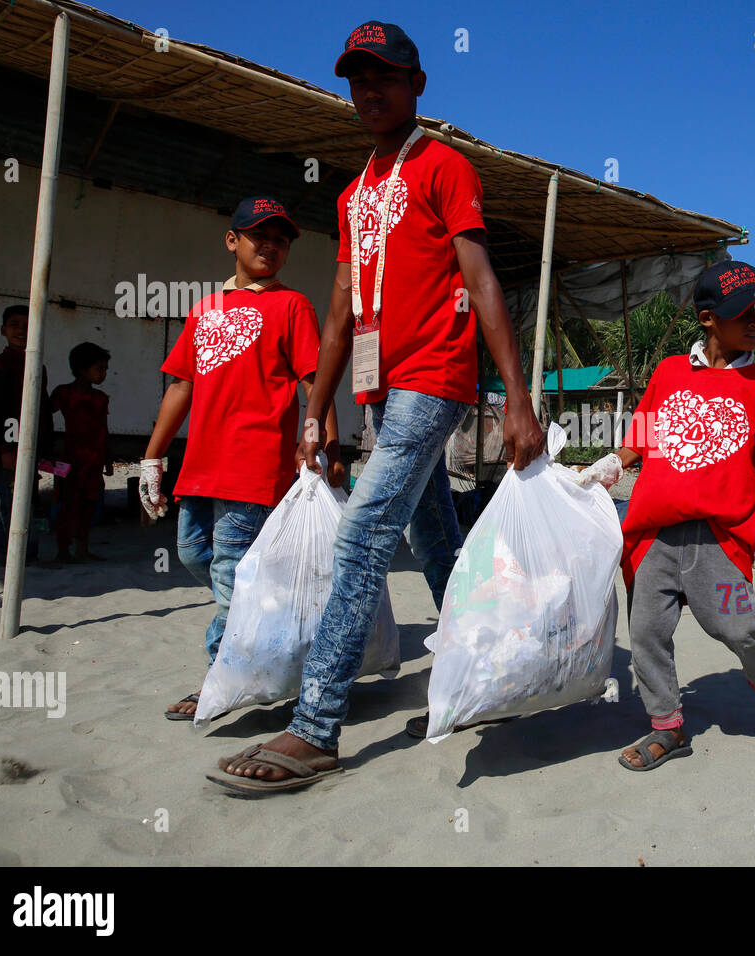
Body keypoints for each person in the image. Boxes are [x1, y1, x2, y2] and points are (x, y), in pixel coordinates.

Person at [210, 21, 545, 792]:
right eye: (359, 78)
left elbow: (482, 276)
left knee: (360, 539)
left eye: (386, 76)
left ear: (417, 84)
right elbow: (337, 312)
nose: (371, 90)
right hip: (381, 391)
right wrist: (315, 411)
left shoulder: (443, 166)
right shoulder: (356, 190)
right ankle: (493, 662)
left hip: (435, 378)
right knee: (438, 543)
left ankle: (316, 727)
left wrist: (517, 396)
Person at [579, 260, 755, 771]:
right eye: (745, 314)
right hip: (654, 533)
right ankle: (667, 727)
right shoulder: (670, 373)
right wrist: (607, 466)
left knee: (738, 628)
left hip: (720, 537)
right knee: (647, 629)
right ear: (709, 318)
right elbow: (641, 439)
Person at [139, 197, 342, 720]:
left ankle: (220, 678)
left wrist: (327, 443)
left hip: (253, 466)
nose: (270, 246)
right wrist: (151, 457)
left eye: (281, 239)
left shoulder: (291, 305)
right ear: (232, 240)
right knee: (193, 554)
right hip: (200, 466)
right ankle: (265, 626)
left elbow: (312, 383)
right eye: (258, 235)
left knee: (230, 570)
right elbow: (180, 385)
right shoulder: (204, 310)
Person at [0, 304, 53, 564]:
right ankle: (9, 557)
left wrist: (45, 445)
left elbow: (42, 409)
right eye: (14, 325)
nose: (21, 331)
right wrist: (5, 448)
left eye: (27, 326)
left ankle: (27, 555)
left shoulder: (37, 365)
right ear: (3, 330)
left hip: (30, 446)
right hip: (9, 448)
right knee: (10, 505)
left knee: (27, 503)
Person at [50, 342, 111, 562]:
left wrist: (108, 459)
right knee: (67, 503)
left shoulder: (100, 398)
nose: (104, 374)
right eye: (100, 368)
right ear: (82, 369)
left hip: (93, 458)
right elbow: (44, 416)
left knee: (88, 504)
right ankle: (63, 550)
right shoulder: (65, 393)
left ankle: (81, 548)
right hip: (71, 456)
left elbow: (104, 429)